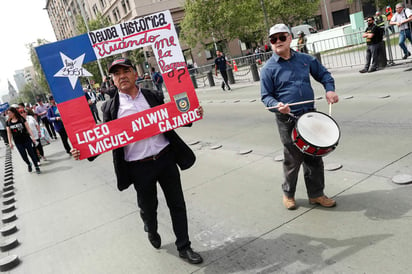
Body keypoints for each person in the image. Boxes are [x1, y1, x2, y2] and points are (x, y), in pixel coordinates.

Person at [71, 58, 204, 264]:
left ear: (135, 74)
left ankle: (184, 246)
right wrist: (82, 150)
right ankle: (151, 228)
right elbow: (104, 138)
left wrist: (192, 113)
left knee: (177, 204)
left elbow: (173, 116)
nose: (122, 76)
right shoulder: (109, 108)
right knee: (148, 208)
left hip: (165, 158)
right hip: (138, 167)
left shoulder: (153, 95)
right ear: (112, 81)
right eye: (116, 74)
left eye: (126, 71)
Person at [260, 23, 339, 210]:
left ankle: (316, 194)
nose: (277, 41)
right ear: (270, 43)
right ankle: (288, 194)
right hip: (287, 119)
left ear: (289, 38)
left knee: (314, 157)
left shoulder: (305, 59)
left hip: (309, 115)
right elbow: (266, 96)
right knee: (292, 159)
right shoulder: (268, 68)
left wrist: (330, 90)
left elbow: (325, 75)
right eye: (273, 39)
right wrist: (277, 106)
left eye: (281, 37)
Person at [6, 107, 41, 174]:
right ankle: (29, 164)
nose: (8, 114)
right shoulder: (8, 122)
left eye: (9, 113)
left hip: (26, 139)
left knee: (32, 154)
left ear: (13, 113)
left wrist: (33, 137)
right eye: (8, 113)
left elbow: (28, 128)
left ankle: (36, 167)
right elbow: (9, 133)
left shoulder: (21, 119)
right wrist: (10, 142)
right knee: (23, 156)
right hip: (18, 142)